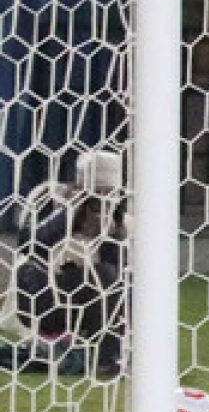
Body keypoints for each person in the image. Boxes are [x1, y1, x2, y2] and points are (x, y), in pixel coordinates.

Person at [0, 149, 127, 376]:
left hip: (88, 304)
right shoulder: (49, 198)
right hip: (41, 297)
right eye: (96, 193)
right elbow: (30, 247)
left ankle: (106, 357)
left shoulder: (119, 220)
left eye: (109, 193)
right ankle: (102, 358)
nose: (101, 201)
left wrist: (113, 230)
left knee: (108, 276)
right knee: (104, 276)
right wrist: (70, 213)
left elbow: (120, 274)